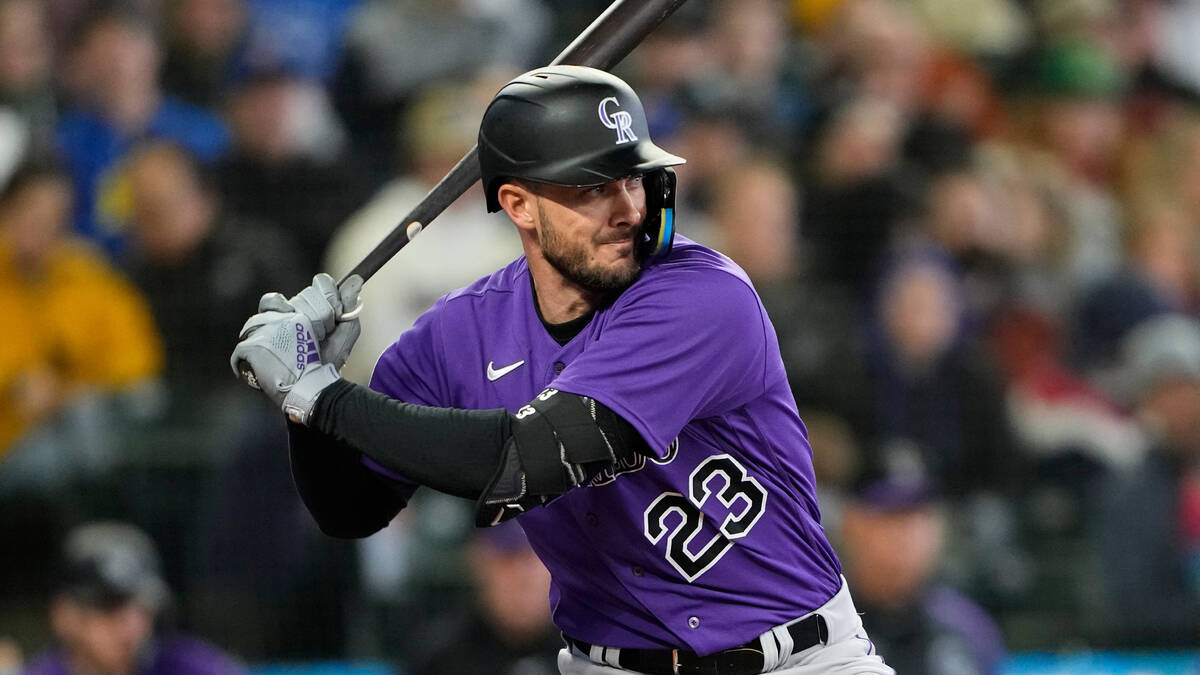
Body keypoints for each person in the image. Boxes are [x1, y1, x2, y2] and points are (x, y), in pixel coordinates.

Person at [231, 65, 894, 674]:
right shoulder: (459, 332)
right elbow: (349, 507)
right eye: (592, 188)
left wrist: (324, 397)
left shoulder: (700, 294)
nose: (627, 208)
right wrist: (301, 401)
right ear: (519, 204)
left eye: (633, 178)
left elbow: (530, 459)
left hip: (798, 657)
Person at [837, 459, 1007, 675]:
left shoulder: (967, 626)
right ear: (851, 523)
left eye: (916, 517)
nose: (905, 535)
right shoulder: (817, 626)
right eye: (890, 516)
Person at [22, 521, 244, 675]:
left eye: (143, 607)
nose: (131, 625)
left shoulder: (187, 666)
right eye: (109, 606)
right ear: (64, 616)